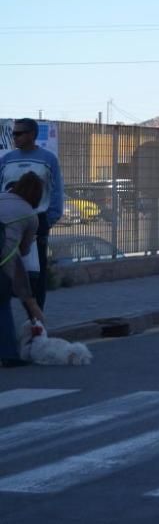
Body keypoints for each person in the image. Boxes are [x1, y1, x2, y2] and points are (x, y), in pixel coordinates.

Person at [0, 118, 63, 312]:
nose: (15, 137)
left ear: (32, 135)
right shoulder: (6, 160)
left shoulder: (48, 159)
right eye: (13, 133)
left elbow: (56, 191)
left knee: (36, 272)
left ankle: (36, 320)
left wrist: (48, 221)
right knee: (5, 270)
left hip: (37, 221)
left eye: (19, 133)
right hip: (7, 222)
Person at [0, 172, 45, 367]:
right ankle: (9, 354)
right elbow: (24, 251)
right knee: (2, 304)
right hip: (3, 261)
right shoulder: (30, 215)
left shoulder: (1, 196)